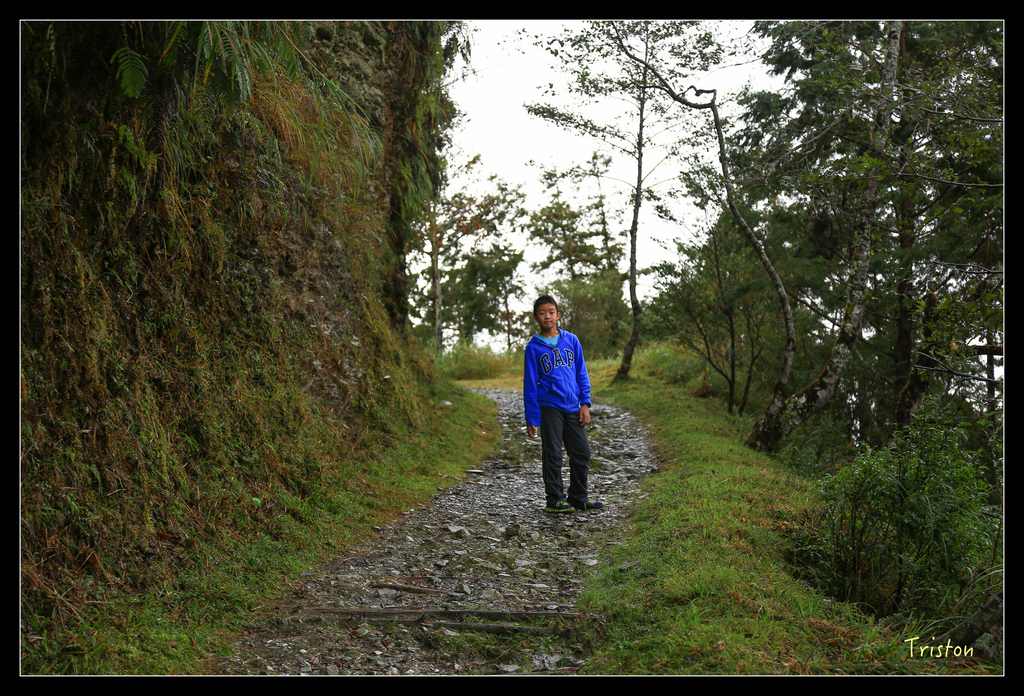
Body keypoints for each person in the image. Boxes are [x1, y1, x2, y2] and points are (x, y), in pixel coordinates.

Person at [523, 295, 604, 513]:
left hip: (573, 406)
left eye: (551, 312)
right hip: (549, 405)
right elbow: (530, 384)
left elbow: (581, 372)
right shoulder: (534, 348)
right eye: (542, 313)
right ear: (536, 317)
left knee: (582, 452)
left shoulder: (571, 340)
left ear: (558, 315)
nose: (547, 316)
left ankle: (578, 497)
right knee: (553, 453)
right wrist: (532, 417)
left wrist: (585, 403)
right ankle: (555, 499)